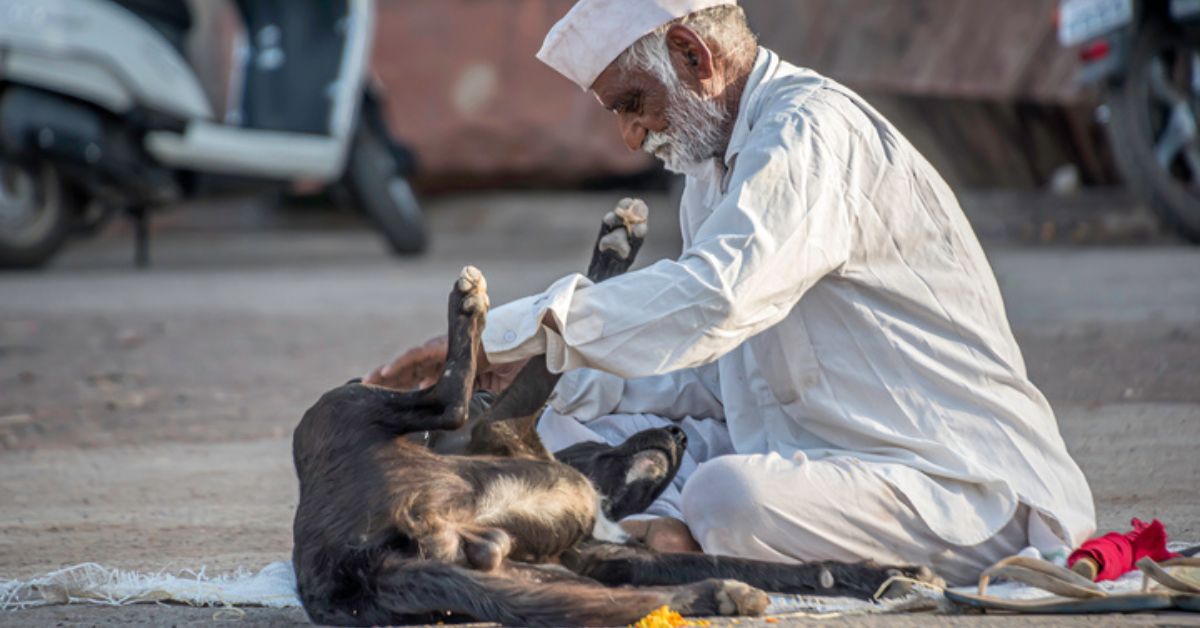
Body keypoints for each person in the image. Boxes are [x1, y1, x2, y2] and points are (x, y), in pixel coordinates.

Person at [365, 0, 1096, 585]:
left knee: (725, 496)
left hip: (956, 489)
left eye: (632, 102)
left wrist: (509, 332)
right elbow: (717, 370)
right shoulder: (714, 170)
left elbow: (713, 301)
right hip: (808, 457)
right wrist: (535, 378)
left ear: (692, 54)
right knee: (554, 437)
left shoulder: (807, 132)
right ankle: (662, 538)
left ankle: (670, 538)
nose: (628, 136)